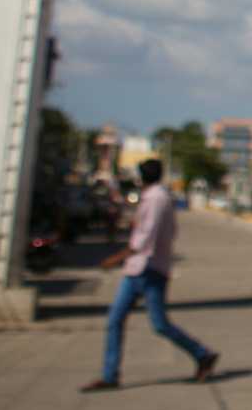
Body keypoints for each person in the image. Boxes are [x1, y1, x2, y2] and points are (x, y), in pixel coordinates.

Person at [81, 159, 217, 392]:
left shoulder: (155, 199)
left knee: (159, 324)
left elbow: (146, 237)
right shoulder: (159, 197)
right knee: (116, 320)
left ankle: (202, 354)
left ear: (141, 177)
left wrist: (118, 256)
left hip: (148, 268)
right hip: (140, 267)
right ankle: (109, 375)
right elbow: (170, 232)